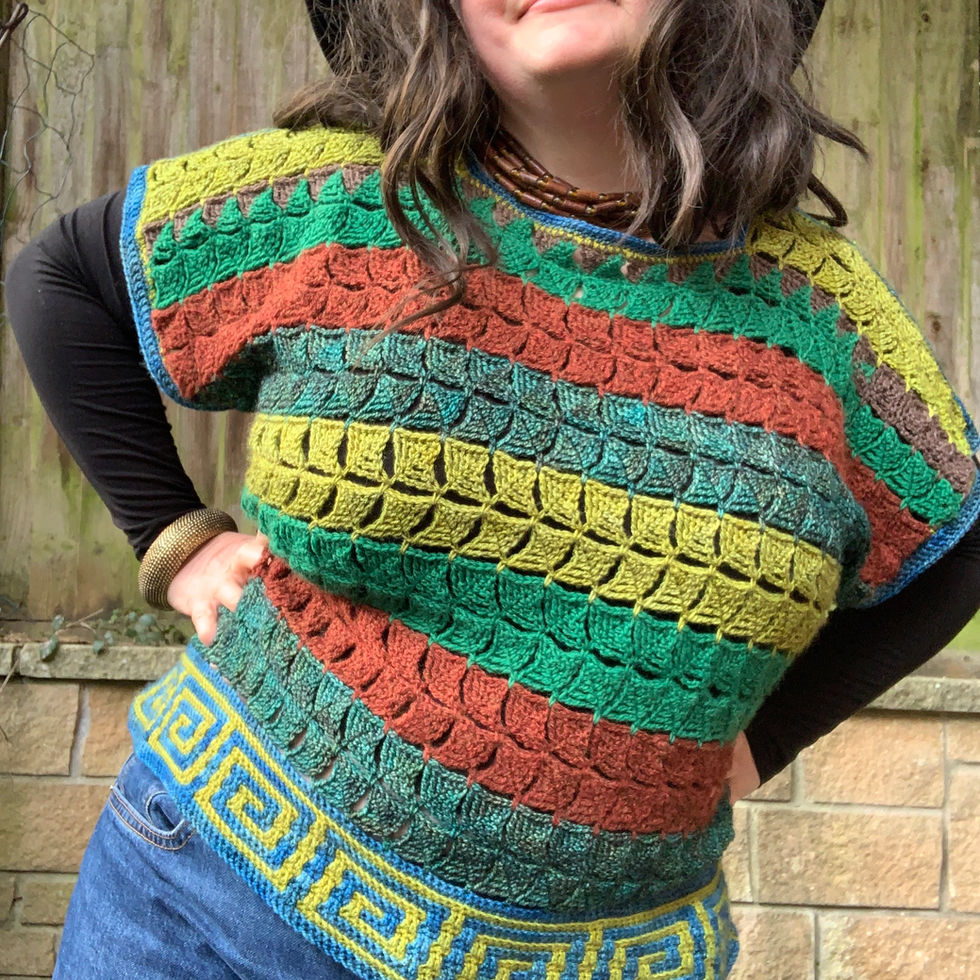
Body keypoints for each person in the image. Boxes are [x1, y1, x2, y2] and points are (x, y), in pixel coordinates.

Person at [7, 0, 980, 977]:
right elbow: (64, 280)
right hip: (207, 910)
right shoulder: (343, 195)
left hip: (599, 956)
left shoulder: (823, 317)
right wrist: (177, 540)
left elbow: (958, 541)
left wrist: (762, 738)